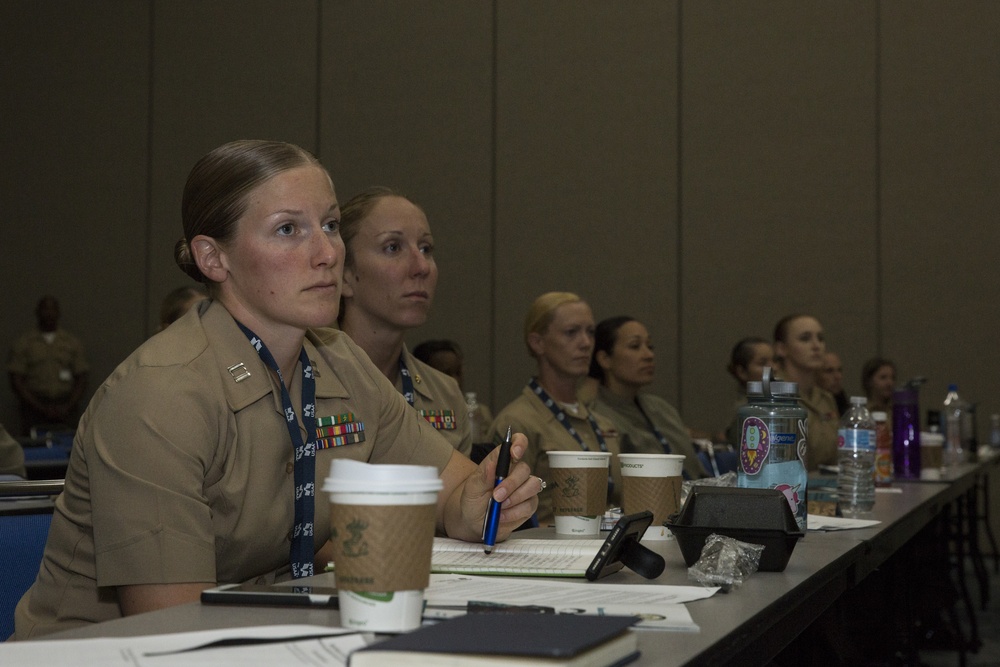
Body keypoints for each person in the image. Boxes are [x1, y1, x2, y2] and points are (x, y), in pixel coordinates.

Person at [14, 140, 540, 639]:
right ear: (213, 259)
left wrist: (477, 504)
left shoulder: (339, 360)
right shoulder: (159, 398)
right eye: (288, 229)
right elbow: (173, 634)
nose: (328, 253)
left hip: (276, 634)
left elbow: (453, 492)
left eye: (330, 225)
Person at [337, 187, 471, 457]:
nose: (421, 266)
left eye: (426, 248)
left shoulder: (446, 394)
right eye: (393, 247)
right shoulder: (301, 383)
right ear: (345, 275)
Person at [490, 292, 622, 524]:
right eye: (572, 332)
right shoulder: (517, 422)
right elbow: (502, 510)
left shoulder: (602, 423)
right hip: (550, 551)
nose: (586, 343)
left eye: (590, 332)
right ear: (537, 342)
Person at [587, 316, 708, 481]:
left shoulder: (661, 408)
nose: (649, 355)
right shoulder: (595, 414)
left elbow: (698, 473)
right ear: (605, 359)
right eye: (635, 346)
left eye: (650, 346)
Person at [8, 295, 89, 436]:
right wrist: (40, 407)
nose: (49, 313)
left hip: (66, 406)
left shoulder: (71, 342)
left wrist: (68, 406)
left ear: (58, 312)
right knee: (35, 450)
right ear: (37, 312)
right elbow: (16, 380)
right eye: (45, 308)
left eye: (53, 309)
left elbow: (81, 377)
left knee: (68, 450)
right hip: (34, 408)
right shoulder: (24, 343)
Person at [772, 314, 839, 471]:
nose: (816, 346)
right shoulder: (772, 396)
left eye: (821, 338)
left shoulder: (826, 399)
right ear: (782, 349)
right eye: (805, 338)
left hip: (825, 488)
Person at [413, 338, 494, 443]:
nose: (455, 380)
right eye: (446, 373)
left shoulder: (479, 413)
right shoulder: (411, 408)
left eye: (458, 372)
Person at [725, 336, 774, 448]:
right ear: (742, 372)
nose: (773, 368)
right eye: (762, 363)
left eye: (775, 361)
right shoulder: (744, 411)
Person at [817, 351, 849, 416]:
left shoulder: (841, 399)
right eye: (829, 371)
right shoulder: (812, 402)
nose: (838, 377)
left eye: (839, 370)